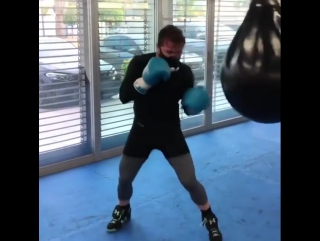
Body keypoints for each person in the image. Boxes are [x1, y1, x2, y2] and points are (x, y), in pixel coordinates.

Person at [106, 25, 223, 241]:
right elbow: (123, 95)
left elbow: (187, 102)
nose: (174, 58)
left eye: (178, 53)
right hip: (142, 130)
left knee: (189, 180)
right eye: (169, 53)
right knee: (125, 178)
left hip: (170, 131)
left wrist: (192, 105)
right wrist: (145, 81)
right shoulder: (140, 63)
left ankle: (209, 216)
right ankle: (123, 208)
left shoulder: (184, 72)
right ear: (159, 47)